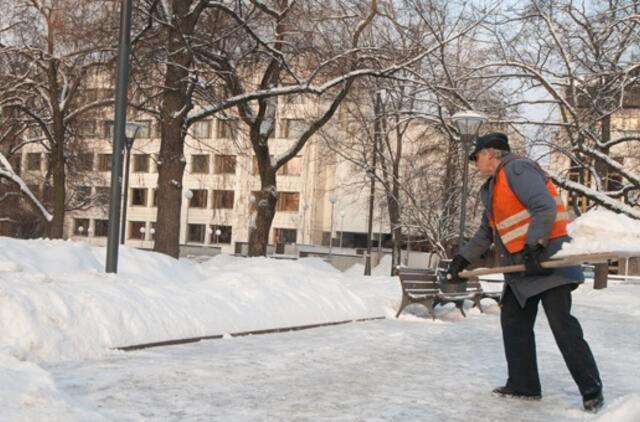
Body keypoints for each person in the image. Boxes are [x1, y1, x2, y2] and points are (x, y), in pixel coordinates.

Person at [446, 132, 604, 413]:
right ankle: (524, 384)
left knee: (563, 327)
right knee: (514, 322)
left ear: (492, 153)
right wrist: (461, 259)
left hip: (549, 262)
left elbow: (543, 205)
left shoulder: (517, 168)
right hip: (523, 269)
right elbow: (486, 234)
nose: (474, 162)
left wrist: (534, 244)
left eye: (476, 156)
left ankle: (591, 390)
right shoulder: (492, 189)